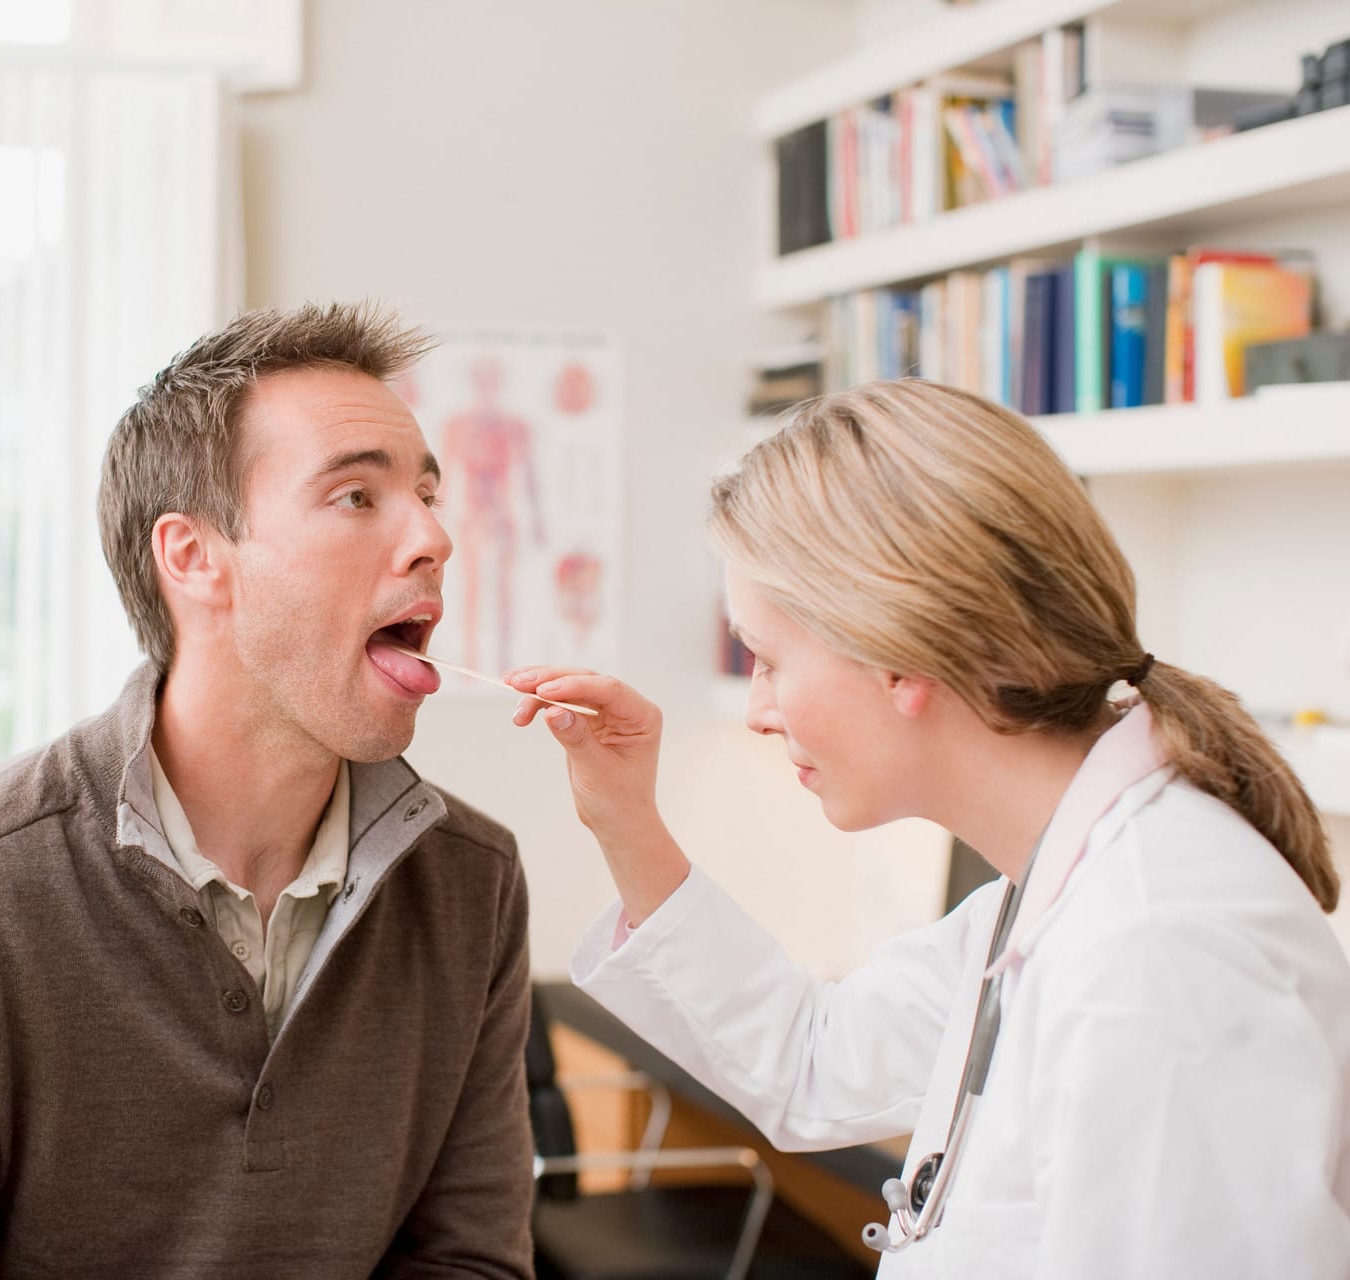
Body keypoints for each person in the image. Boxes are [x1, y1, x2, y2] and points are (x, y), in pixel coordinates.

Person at [507, 379, 1350, 1278]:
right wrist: (625, 819)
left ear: (897, 656)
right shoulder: (1051, 895)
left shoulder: (1155, 957)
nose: (758, 709)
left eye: (768, 658)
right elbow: (815, 1063)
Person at [0, 302, 534, 1278]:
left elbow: (472, 1261)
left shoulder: (473, 883)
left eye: (429, 496)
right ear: (193, 557)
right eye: (358, 496)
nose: (433, 537)